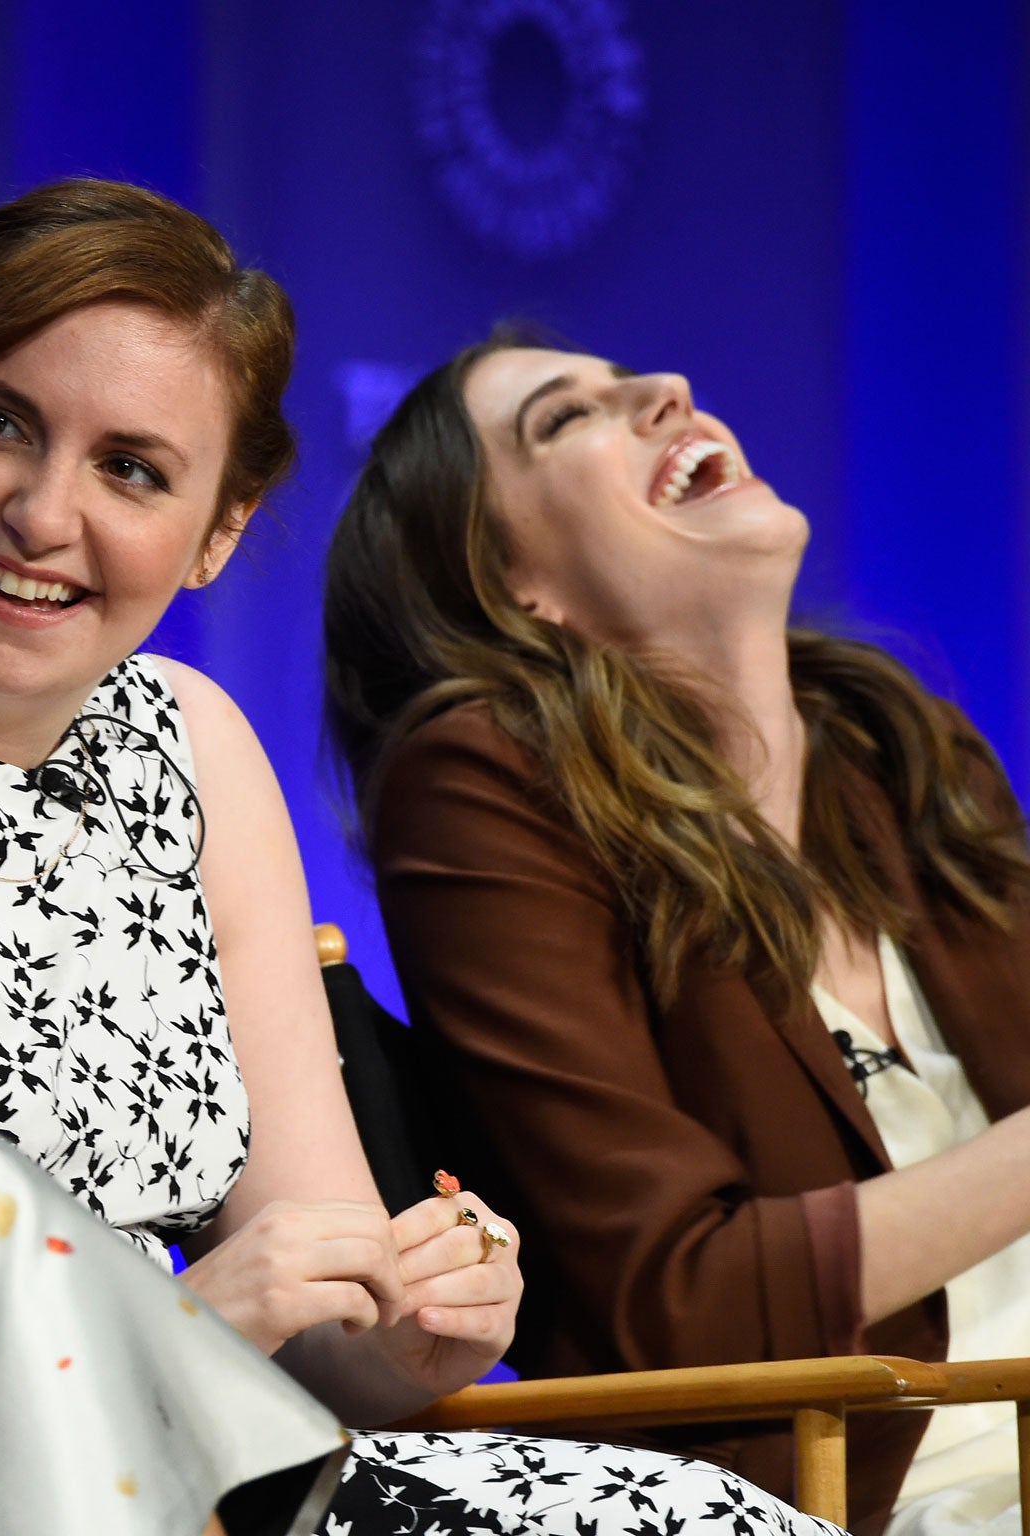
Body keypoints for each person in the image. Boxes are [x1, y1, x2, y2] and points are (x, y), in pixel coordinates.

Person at [0, 184, 844, 1536]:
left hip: (159, 1483)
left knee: (707, 1518)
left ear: (220, 530)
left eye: (132, 469)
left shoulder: (194, 744)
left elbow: (323, 1330)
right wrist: (168, 1330)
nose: (44, 516)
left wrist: (417, 1326)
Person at [322, 329, 1030, 1536]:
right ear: (508, 584)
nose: (668, 391)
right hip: (858, 1496)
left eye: (632, 380)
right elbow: (666, 1296)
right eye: (566, 417)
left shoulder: (896, 746)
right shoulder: (480, 784)